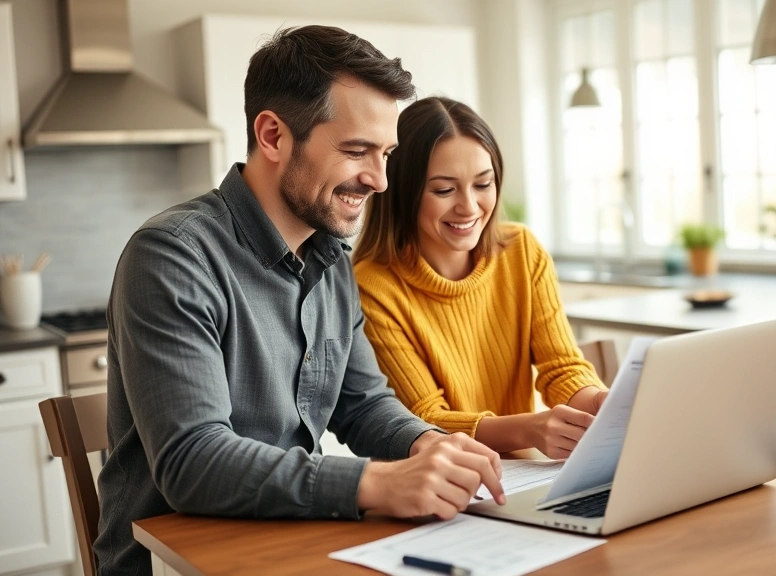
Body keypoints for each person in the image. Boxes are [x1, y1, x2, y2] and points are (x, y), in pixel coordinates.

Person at [95, 28, 504, 576]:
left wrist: (428, 446)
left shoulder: (331, 255)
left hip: (288, 544)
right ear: (273, 135)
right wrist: (375, 482)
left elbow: (362, 404)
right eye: (356, 151)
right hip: (174, 563)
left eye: (385, 154)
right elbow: (192, 461)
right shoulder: (174, 256)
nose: (380, 181)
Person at [352, 97, 608, 460]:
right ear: (402, 192)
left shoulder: (522, 251)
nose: (469, 207)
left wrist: (597, 400)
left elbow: (561, 367)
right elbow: (424, 419)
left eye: (483, 184)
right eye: (444, 190)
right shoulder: (373, 287)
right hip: (436, 481)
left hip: (523, 474)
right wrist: (531, 429)